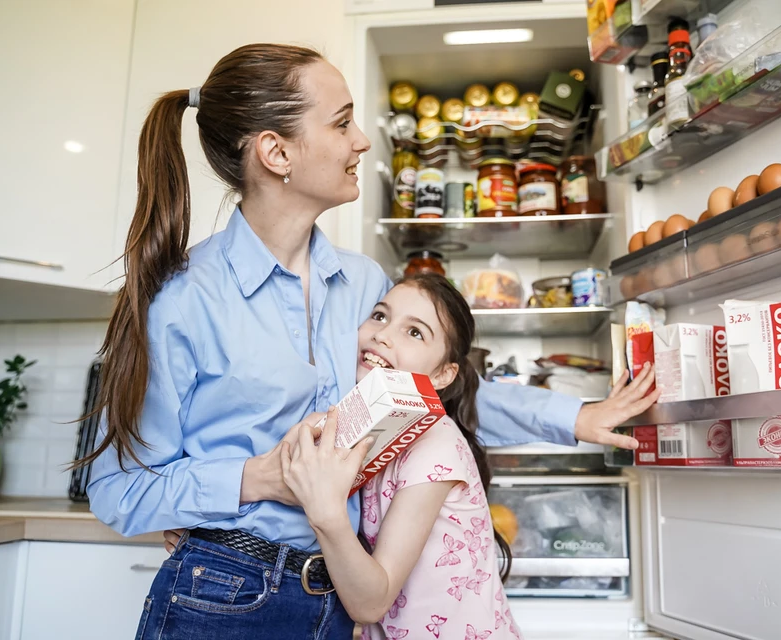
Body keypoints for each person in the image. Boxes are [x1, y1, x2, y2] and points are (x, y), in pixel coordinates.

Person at [82, 43, 659, 640]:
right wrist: (259, 479)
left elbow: (437, 392)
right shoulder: (183, 298)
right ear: (276, 152)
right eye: (340, 123)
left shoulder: (363, 286)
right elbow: (118, 489)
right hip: (223, 597)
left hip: (340, 602)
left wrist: (576, 417)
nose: (362, 140)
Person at [279, 273, 529, 639]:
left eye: (415, 332)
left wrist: (325, 510)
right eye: (380, 316)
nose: (383, 334)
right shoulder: (375, 423)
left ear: (443, 374)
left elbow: (370, 603)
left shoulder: (436, 444)